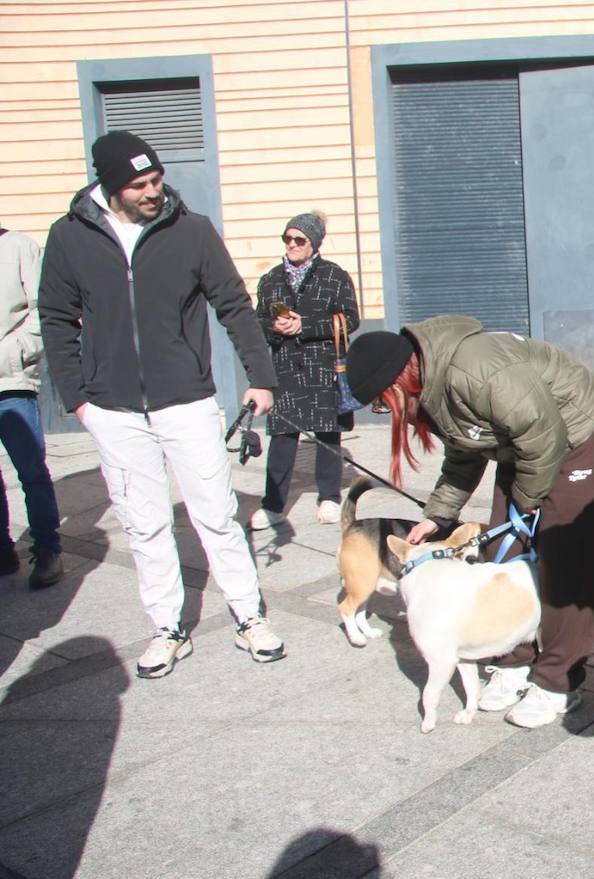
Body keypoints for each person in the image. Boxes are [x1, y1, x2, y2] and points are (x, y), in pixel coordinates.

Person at [38, 130, 286, 678]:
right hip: (112, 410)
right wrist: (78, 398)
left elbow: (235, 307)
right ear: (110, 186)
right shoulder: (69, 238)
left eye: (157, 179)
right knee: (143, 524)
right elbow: (55, 319)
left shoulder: (190, 231)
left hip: (187, 401)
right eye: (139, 184)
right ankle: (168, 627)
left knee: (218, 517)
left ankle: (249, 617)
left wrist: (260, 378)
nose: (153, 191)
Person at [344, 315, 594, 729]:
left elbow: (542, 432)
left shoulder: (474, 368)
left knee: (567, 563)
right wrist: (438, 516)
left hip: (576, 435)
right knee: (499, 548)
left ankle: (558, 682)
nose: (384, 412)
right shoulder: (434, 388)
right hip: (525, 446)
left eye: (382, 402)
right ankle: (514, 659)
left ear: (399, 380)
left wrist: (527, 505)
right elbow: (464, 453)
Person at [248, 212, 360, 530]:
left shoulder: (334, 276)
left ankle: (329, 498)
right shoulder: (270, 279)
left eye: (300, 240)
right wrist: (274, 326)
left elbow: (350, 319)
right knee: (282, 437)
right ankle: (273, 505)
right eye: (288, 238)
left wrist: (305, 325)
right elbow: (256, 324)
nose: (293, 245)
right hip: (283, 368)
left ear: (314, 243)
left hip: (323, 367)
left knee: (328, 435)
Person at [0, 224, 63, 589]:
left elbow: (44, 312)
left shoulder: (20, 247)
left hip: (10, 382)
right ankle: (3, 549)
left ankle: (48, 548)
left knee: (31, 472)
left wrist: (11, 354)